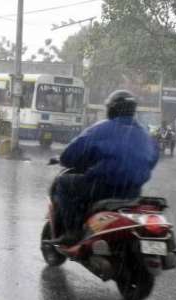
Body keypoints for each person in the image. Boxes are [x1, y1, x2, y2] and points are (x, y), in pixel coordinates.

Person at [50, 90, 159, 244]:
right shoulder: (145, 134)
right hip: (133, 191)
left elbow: (73, 153)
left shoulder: (102, 129)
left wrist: (62, 159)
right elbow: (152, 160)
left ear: (111, 109)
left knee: (63, 183)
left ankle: (72, 231)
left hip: (103, 187)